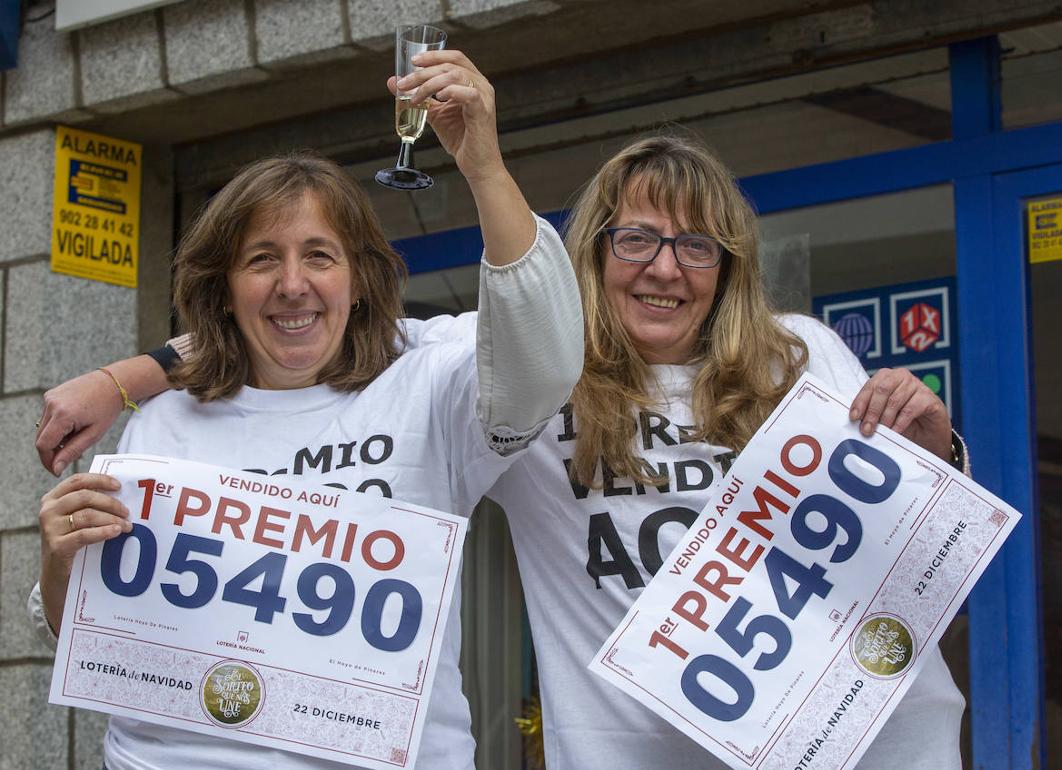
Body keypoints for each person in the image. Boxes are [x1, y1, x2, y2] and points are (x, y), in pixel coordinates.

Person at [39, 134, 967, 768]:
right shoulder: (521, 372)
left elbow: (916, 554)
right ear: (589, 254)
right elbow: (314, 324)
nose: (664, 266)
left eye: (697, 245)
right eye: (636, 237)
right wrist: (130, 379)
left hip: (866, 740)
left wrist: (941, 454)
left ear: (729, 265)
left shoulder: (800, 352)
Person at [29, 50, 583, 770]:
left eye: (319, 256)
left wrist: (484, 168)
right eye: (262, 260)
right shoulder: (163, 422)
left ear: (358, 279)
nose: (293, 284)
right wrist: (59, 559)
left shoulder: (429, 387)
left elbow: (541, 357)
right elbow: (88, 633)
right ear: (224, 286)